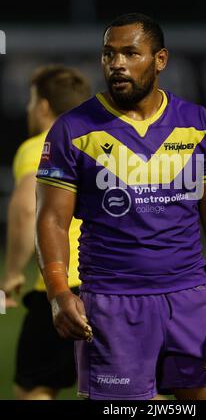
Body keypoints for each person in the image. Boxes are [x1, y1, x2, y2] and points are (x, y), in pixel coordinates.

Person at [35, 13, 206, 401]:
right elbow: (51, 219)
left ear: (160, 60)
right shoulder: (73, 129)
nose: (117, 64)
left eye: (131, 53)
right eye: (109, 54)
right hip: (112, 310)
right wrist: (59, 293)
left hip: (192, 303)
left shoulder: (200, 125)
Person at [1, 65, 91, 400]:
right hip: (112, 287)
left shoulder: (38, 146)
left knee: (34, 388)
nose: (28, 109)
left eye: (30, 101)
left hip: (59, 288)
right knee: (120, 389)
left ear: (42, 106)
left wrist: (10, 274)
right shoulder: (101, 144)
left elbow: (26, 209)